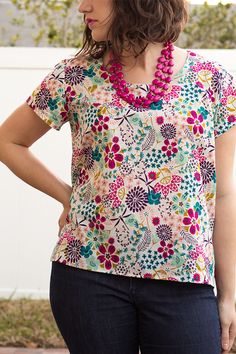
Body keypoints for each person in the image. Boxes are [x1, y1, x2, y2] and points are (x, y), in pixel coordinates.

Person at [0, 0, 236, 353]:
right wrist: (68, 196)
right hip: (88, 275)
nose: (82, 6)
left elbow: (223, 193)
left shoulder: (212, 82)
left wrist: (229, 293)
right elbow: (9, 141)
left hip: (184, 280)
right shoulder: (74, 76)